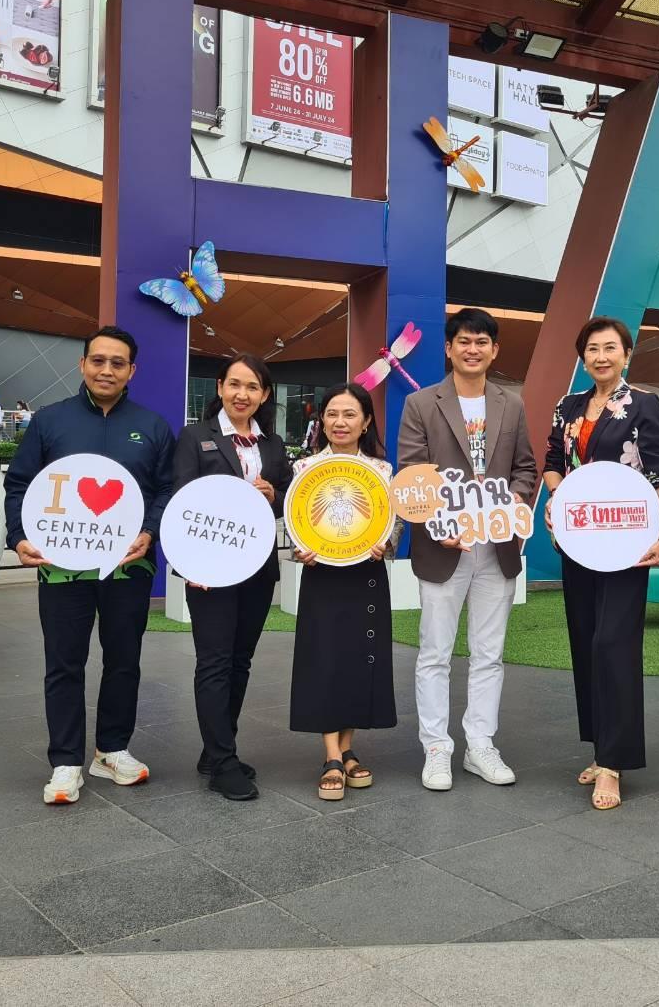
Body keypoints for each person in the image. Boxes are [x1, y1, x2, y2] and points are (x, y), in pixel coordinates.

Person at [3, 326, 176, 805]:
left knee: (124, 661)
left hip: (128, 567)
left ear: (131, 371)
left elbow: (165, 490)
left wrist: (150, 531)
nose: (106, 370)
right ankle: (64, 762)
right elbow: (19, 485)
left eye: (117, 363)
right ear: (82, 365)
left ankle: (112, 750)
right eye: (98, 361)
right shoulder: (50, 421)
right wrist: (18, 537)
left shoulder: (153, 426)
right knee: (63, 662)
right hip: (61, 566)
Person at [398, 308, 538, 792]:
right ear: (449, 347)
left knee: (489, 653)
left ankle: (481, 744)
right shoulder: (421, 403)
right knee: (434, 652)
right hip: (444, 546)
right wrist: (438, 524)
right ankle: (436, 748)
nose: (472, 349)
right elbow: (413, 474)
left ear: (494, 350)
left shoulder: (512, 405)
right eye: (464, 341)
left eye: (482, 341)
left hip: (496, 546)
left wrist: (513, 504)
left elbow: (526, 468)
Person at [543, 317, 659, 811]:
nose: (600, 356)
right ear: (583, 356)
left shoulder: (644, 404)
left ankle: (614, 764)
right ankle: (600, 748)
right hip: (579, 542)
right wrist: (561, 498)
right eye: (592, 349)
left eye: (610, 348)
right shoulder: (569, 406)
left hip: (628, 543)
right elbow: (553, 459)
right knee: (584, 640)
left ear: (625, 353)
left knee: (613, 643)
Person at [173, 355, 292, 801]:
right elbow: (181, 501)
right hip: (211, 570)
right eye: (235, 385)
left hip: (258, 568)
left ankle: (215, 749)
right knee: (215, 662)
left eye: (253, 387)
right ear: (220, 387)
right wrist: (189, 564)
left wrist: (274, 494)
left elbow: (285, 504)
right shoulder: (194, 437)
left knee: (240, 661)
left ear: (264, 395)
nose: (243, 394)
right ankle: (223, 762)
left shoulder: (274, 445)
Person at [289, 383, 400, 800]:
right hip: (324, 577)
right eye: (332, 414)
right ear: (322, 420)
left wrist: (385, 544)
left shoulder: (382, 472)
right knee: (325, 659)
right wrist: (301, 550)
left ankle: (348, 748)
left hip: (366, 576)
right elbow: (297, 520)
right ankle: (332, 755)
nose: (339, 422)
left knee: (359, 660)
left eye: (350, 414)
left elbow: (395, 525)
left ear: (366, 421)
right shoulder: (306, 470)